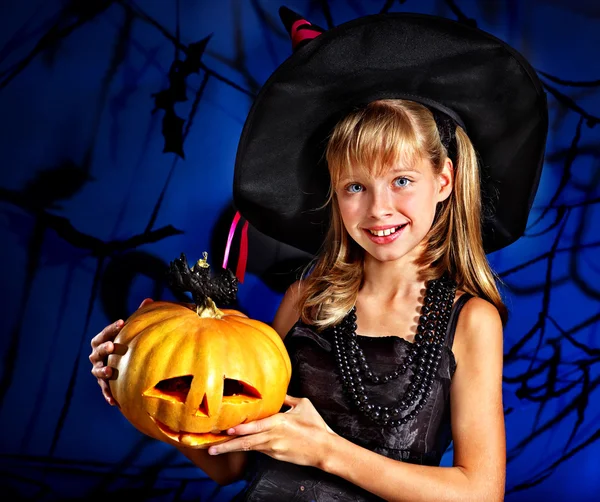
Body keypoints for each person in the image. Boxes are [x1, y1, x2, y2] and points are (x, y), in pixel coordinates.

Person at [90, 7, 548, 501]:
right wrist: (138, 385)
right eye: (356, 186)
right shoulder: (306, 299)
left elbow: (479, 493)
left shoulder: (471, 320)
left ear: (444, 182)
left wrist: (326, 450)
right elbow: (232, 463)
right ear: (334, 191)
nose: (379, 210)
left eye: (401, 181)